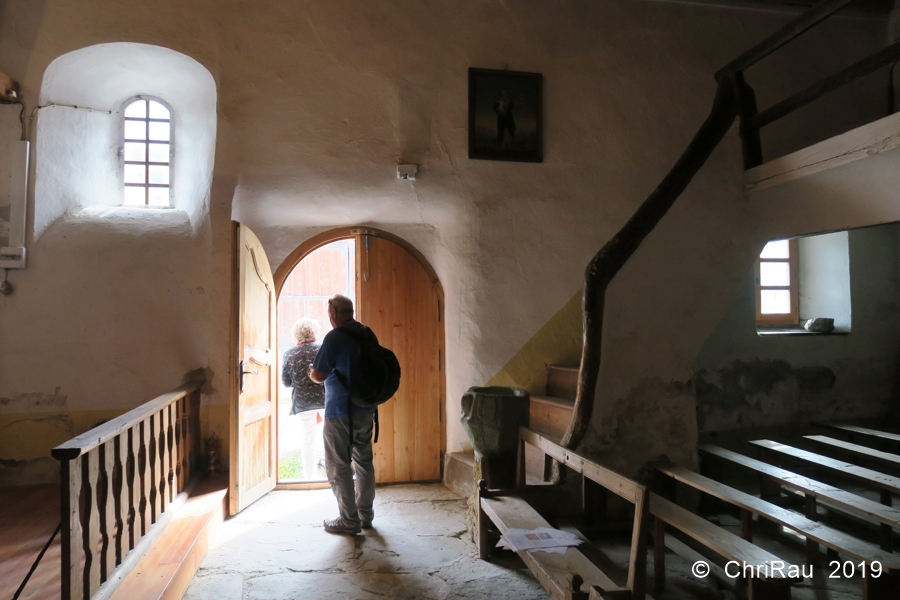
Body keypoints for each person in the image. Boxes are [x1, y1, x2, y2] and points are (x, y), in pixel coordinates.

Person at [308, 294, 377, 534]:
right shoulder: (367, 333)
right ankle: (365, 516)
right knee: (364, 463)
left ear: (333, 314)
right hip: (367, 409)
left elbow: (319, 375)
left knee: (338, 466)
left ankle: (349, 520)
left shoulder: (335, 337)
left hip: (339, 411)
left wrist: (310, 371)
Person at [281, 317, 325, 480]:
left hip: (303, 402)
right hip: (325, 399)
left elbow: (286, 382)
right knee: (331, 435)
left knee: (308, 438)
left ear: (296, 334)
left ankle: (309, 475)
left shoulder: (290, 353)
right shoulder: (323, 349)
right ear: (315, 332)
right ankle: (332, 469)